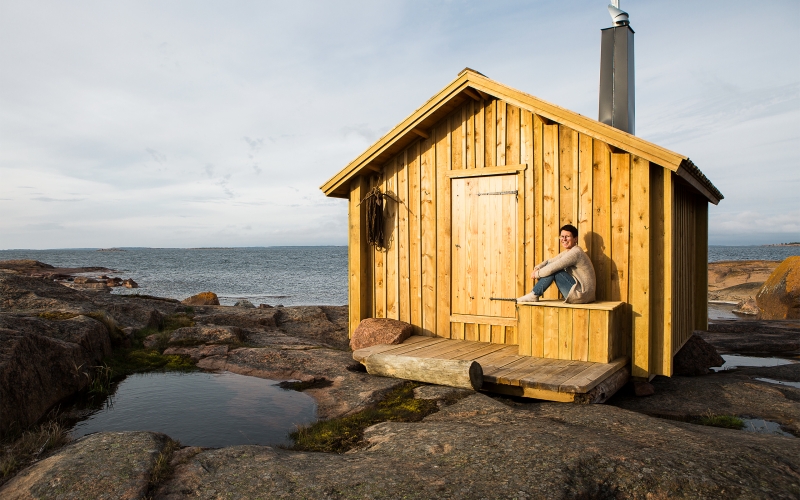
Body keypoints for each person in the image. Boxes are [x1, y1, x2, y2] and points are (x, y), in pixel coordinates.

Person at [517, 224, 596, 304]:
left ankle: (534, 294)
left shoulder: (576, 252)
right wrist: (537, 268)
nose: (564, 239)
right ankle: (534, 294)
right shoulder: (569, 252)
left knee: (554, 270)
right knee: (551, 267)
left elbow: (552, 267)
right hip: (582, 294)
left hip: (581, 295)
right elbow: (549, 262)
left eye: (567, 236)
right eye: (562, 236)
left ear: (575, 239)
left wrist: (537, 274)